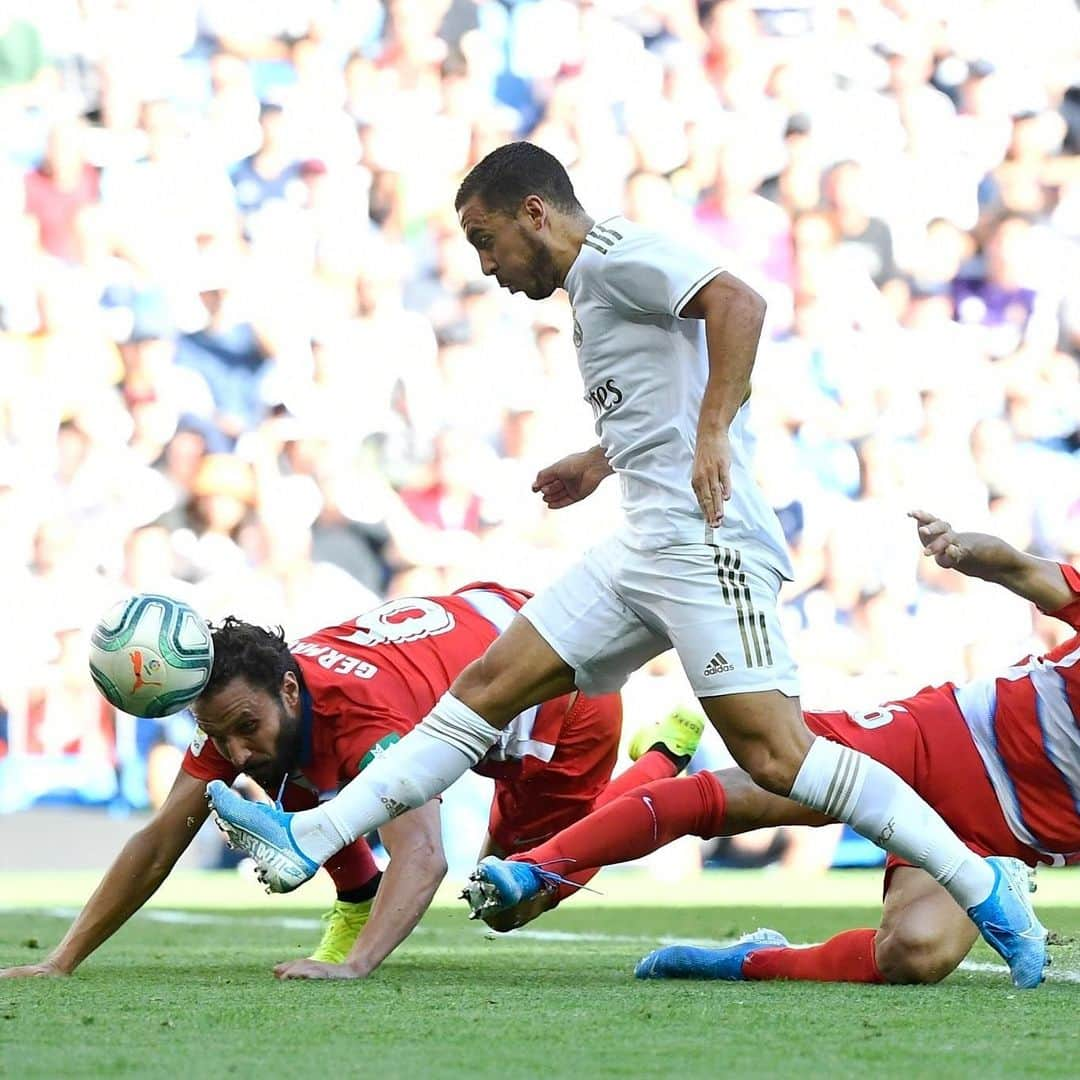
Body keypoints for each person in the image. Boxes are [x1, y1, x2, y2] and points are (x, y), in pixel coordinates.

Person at [205, 142, 1047, 988]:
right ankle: (310, 836)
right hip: (643, 543)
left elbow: (740, 303)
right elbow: (661, 396)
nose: (485, 263)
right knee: (485, 688)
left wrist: (715, 430)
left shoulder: (617, 256)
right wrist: (600, 458)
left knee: (780, 759)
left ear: (535, 212)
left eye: (485, 238)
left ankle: (986, 889)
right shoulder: (591, 289)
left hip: (707, 542)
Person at [465, 512, 1079, 986]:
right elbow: (1027, 572)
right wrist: (974, 554)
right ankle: (533, 868)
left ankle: (753, 958)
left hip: (1005, 838)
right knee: (751, 790)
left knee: (916, 955)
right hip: (949, 741)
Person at [0, 581, 698, 981]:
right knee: (287, 767)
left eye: (244, 727)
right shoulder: (249, 701)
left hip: (557, 695)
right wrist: (61, 961)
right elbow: (159, 841)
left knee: (514, 896)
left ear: (290, 691)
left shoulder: (359, 718)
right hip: (475, 636)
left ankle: (663, 756)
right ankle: (357, 892)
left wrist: (355, 968)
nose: (234, 751)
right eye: (220, 736)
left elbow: (425, 856)